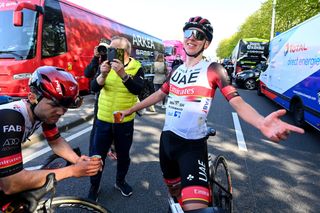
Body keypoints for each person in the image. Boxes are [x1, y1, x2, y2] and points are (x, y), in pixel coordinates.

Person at [118, 16, 305, 211]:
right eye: (187, 33)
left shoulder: (214, 69)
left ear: (206, 43)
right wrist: (130, 109)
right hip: (166, 143)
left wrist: (260, 122)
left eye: (197, 35)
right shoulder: (176, 71)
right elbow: (158, 94)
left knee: (196, 209)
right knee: (174, 192)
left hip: (192, 146)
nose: (190, 38)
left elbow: (237, 101)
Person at [0, 66, 102, 195]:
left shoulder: (42, 114)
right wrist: (72, 170)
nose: (61, 112)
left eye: (65, 107)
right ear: (32, 97)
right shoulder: (11, 118)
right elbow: (12, 184)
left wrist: (77, 160)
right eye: (54, 105)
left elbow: (56, 141)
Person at [87, 36, 145, 201]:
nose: (111, 52)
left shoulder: (136, 67)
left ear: (125, 52)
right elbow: (93, 87)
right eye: (110, 49)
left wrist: (123, 75)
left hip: (123, 120)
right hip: (103, 119)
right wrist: (103, 75)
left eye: (115, 49)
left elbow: (138, 90)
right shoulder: (104, 64)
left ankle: (120, 181)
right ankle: (94, 186)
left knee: (123, 154)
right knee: (97, 155)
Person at [84, 39, 117, 161]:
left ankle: (114, 148)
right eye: (101, 49)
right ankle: (92, 155)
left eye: (106, 49)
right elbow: (87, 74)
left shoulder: (114, 62)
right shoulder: (98, 61)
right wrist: (95, 58)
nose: (103, 52)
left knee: (115, 127)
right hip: (100, 100)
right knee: (96, 127)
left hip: (115, 101)